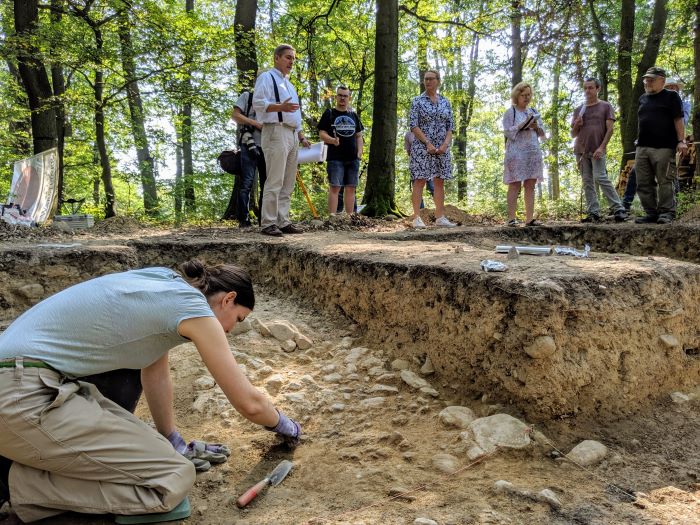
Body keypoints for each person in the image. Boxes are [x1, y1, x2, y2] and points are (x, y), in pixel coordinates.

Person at [0, 261, 301, 523]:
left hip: (29, 381)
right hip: (23, 393)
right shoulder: (196, 310)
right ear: (228, 299)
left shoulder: (163, 282)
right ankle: (14, 483)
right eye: (239, 319)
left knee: (164, 454)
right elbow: (248, 402)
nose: (232, 330)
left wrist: (172, 441)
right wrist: (286, 425)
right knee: (174, 479)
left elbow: (153, 374)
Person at [253, 44, 311, 236]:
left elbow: (295, 114)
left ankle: (283, 220)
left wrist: (301, 135)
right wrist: (279, 107)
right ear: (277, 58)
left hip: (292, 134)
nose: (291, 62)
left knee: (288, 182)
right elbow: (258, 103)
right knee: (275, 179)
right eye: (288, 57)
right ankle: (268, 222)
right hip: (275, 131)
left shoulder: (290, 84)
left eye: (293, 59)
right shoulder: (266, 77)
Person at [634, 66, 688, 224]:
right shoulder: (642, 98)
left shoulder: (671, 96)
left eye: (651, 79)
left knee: (665, 180)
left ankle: (667, 212)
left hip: (664, 147)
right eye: (646, 79)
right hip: (642, 147)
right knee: (643, 181)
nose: (647, 82)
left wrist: (681, 141)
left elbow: (678, 119)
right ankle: (650, 212)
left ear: (662, 81)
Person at [571, 78, 627, 223]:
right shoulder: (579, 110)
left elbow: (610, 129)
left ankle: (618, 208)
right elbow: (573, 134)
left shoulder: (605, 106)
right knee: (587, 181)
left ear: (598, 89)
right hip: (581, 150)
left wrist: (602, 147)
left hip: (597, 149)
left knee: (600, 177)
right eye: (585, 88)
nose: (587, 91)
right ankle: (593, 212)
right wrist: (577, 125)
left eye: (590, 88)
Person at [408, 69, 457, 229]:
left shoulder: (445, 102)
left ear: (438, 81)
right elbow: (413, 125)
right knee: (420, 180)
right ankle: (416, 217)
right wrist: (427, 143)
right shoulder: (417, 101)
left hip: (442, 147)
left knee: (439, 180)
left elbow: (451, 127)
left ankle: (440, 217)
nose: (427, 81)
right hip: (422, 147)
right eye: (425, 79)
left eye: (431, 79)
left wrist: (445, 145)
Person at [502, 81, 545, 227]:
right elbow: (507, 131)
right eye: (523, 95)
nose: (526, 98)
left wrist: (536, 126)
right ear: (517, 95)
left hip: (532, 153)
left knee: (530, 184)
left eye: (529, 95)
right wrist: (522, 125)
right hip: (516, 153)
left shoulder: (533, 111)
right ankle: (511, 218)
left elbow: (543, 134)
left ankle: (529, 219)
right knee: (514, 184)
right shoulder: (511, 112)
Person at [317, 85, 364, 215]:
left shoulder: (353, 115)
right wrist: (332, 140)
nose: (342, 98)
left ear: (349, 98)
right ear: (336, 97)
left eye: (345, 96)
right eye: (340, 95)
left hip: (353, 158)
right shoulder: (329, 113)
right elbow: (322, 133)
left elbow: (359, 136)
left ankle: (350, 217)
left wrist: (359, 152)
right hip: (335, 158)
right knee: (335, 187)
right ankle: (332, 217)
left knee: (351, 188)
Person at [229, 88, 266, 227]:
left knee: (266, 184)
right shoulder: (247, 96)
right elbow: (235, 116)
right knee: (246, 183)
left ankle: (265, 219)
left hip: (268, 146)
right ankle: (243, 220)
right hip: (248, 145)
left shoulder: (273, 101)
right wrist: (255, 123)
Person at [404, 131, 434, 209]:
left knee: (432, 187)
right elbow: (408, 151)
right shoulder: (408, 134)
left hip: (429, 164)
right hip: (415, 165)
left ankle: (440, 211)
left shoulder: (428, 130)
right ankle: (421, 212)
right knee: (417, 188)